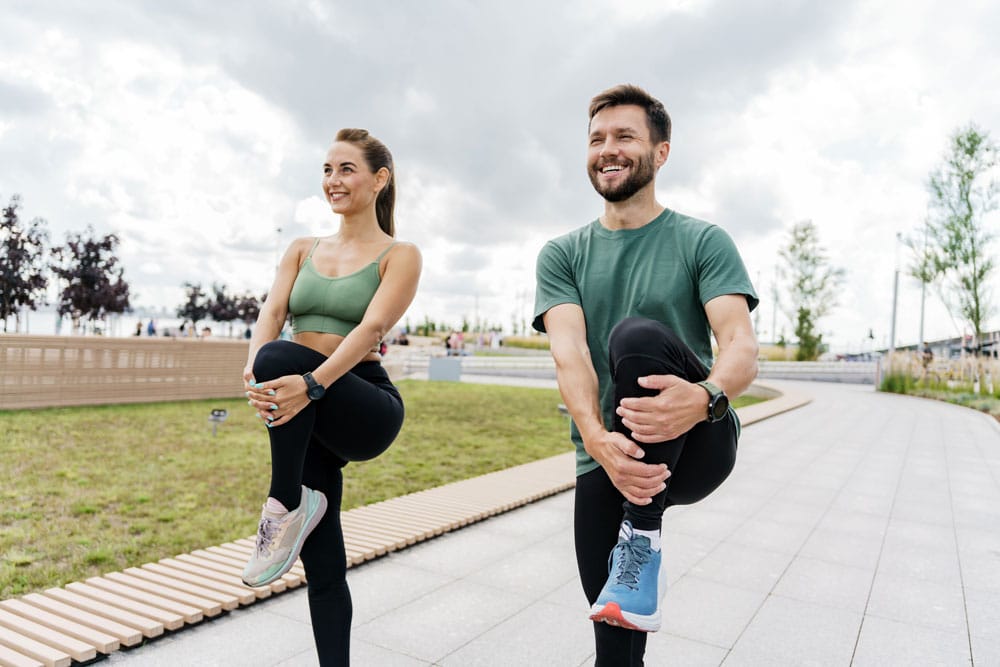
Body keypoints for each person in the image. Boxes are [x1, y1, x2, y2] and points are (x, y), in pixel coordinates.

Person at [533, 84, 759, 666]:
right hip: (608, 455)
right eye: (596, 139)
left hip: (700, 439)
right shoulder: (562, 254)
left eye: (625, 136)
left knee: (634, 336)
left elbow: (739, 344)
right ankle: (639, 545)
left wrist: (705, 396)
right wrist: (595, 439)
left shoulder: (701, 241)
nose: (608, 149)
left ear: (660, 153)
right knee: (615, 639)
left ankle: (642, 531)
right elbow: (570, 353)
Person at [242, 128, 421, 666]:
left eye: (346, 169)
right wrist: (253, 373)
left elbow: (370, 329)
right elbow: (271, 315)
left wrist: (311, 382)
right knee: (324, 566)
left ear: (378, 179)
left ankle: (283, 505)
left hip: (363, 402)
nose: (333, 181)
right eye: (326, 170)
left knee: (280, 358)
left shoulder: (400, 254)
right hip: (304, 403)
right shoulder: (301, 248)